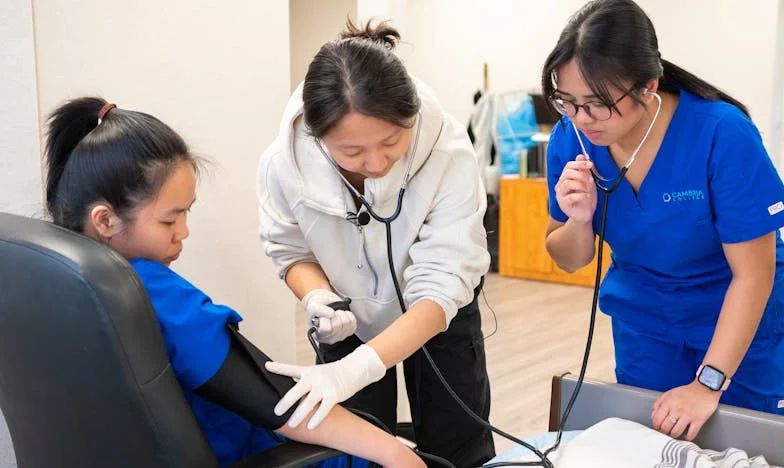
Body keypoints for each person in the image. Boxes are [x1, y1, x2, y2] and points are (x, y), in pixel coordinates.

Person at [43, 96, 425, 468]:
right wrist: (392, 452)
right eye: (169, 220)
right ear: (105, 220)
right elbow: (278, 402)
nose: (184, 233)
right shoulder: (151, 291)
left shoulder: (53, 271)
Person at [541, 0, 784, 442]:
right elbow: (569, 258)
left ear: (648, 85)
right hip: (645, 319)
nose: (581, 119)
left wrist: (708, 383)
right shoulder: (571, 139)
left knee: (746, 446)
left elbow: (754, 275)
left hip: (733, 317)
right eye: (567, 102)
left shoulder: (721, 134)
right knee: (652, 443)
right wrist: (578, 221)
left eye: (597, 104)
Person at [256, 19, 494, 467]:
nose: (376, 163)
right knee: (358, 445)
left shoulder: (447, 150)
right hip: (346, 319)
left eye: (391, 141)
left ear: (411, 117)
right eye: (351, 152)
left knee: (459, 441)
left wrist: (360, 367)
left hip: (437, 314)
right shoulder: (285, 162)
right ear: (316, 133)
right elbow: (290, 251)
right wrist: (318, 297)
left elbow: (443, 281)